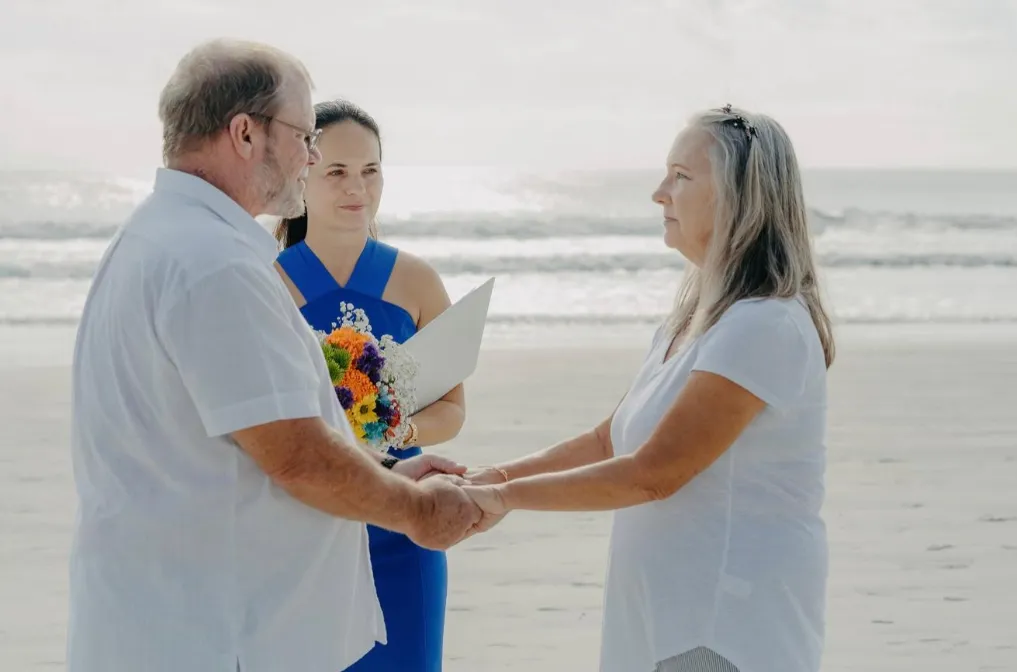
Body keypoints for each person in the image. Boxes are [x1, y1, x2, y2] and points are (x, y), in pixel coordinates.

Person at [66, 39, 480, 672]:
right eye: (304, 137)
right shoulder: (215, 266)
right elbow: (297, 459)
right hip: (210, 632)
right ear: (243, 133)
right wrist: (416, 510)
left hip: (167, 618)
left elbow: (239, 455)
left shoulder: (156, 236)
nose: (311, 156)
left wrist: (390, 473)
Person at [462, 106, 835, 672]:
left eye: (682, 177)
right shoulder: (694, 321)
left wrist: (505, 499)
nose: (660, 193)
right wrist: (495, 477)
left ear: (740, 196)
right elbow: (608, 442)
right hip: (664, 623)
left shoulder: (765, 324)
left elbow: (654, 473)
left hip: (724, 630)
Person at [273, 99, 469, 672]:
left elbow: (453, 410)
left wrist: (391, 427)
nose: (356, 188)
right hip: (303, 525)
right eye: (336, 171)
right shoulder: (267, 281)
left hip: (401, 521)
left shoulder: (415, 279)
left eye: (370, 171)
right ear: (302, 171)